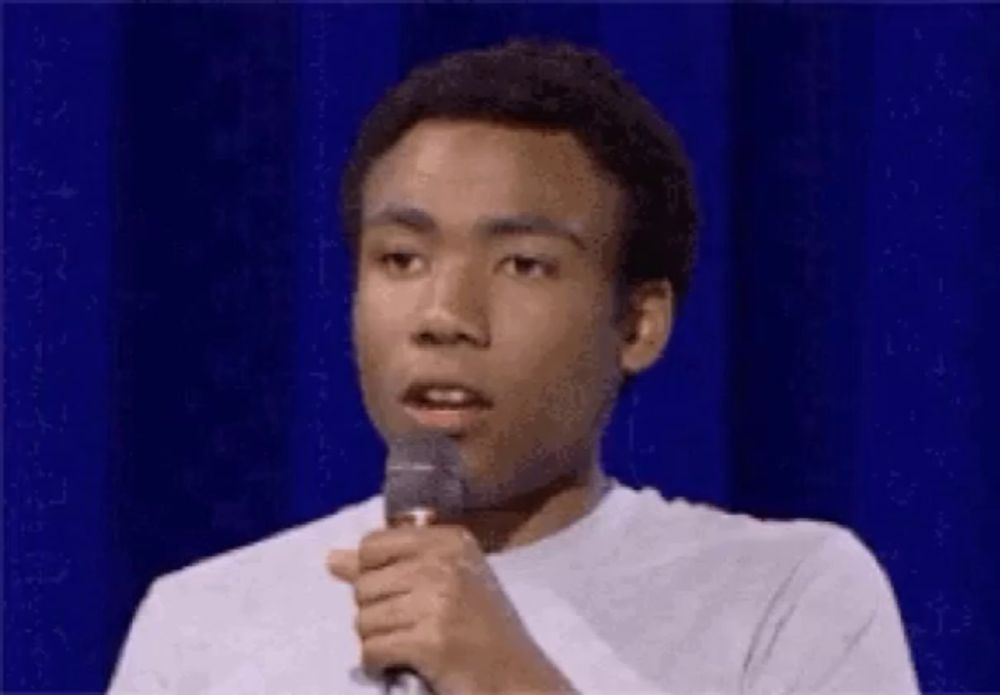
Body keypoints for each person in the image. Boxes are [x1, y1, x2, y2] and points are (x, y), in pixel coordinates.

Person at [108, 38, 920, 694]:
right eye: (401, 258)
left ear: (639, 321)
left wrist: (503, 677)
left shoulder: (785, 596)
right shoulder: (204, 621)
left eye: (522, 264)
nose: (444, 316)